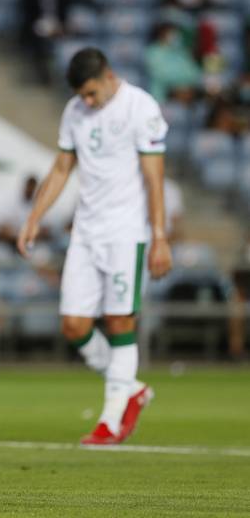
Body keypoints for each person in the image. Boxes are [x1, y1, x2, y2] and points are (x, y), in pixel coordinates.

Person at [17, 48, 172, 445]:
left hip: (127, 232)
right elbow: (61, 168)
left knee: (120, 321)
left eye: (90, 93)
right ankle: (130, 388)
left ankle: (112, 419)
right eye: (81, 95)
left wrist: (159, 236)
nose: (86, 101)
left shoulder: (140, 107)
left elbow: (154, 177)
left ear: (108, 76)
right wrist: (34, 218)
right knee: (74, 325)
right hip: (86, 232)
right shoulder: (75, 111)